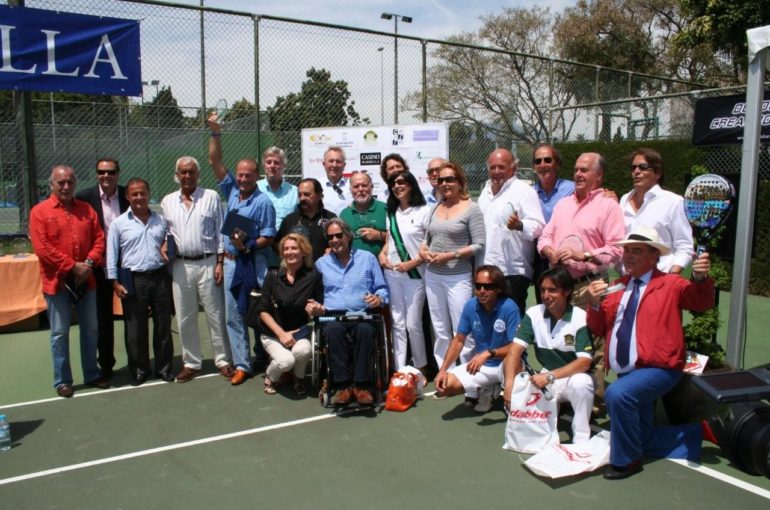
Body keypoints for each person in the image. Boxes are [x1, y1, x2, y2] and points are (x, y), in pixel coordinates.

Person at [586, 226, 715, 480]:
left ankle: (627, 461)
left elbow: (700, 302)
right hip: (627, 370)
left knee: (617, 395)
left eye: (637, 251)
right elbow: (599, 328)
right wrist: (593, 304)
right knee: (641, 434)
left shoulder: (670, 283)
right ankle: (691, 436)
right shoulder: (617, 286)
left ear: (654, 256)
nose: (628, 256)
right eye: (626, 250)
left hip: (660, 368)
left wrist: (700, 279)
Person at [537, 152, 625, 406]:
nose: (578, 174)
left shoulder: (609, 206)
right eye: (576, 169)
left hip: (590, 285)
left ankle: (593, 403)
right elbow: (545, 236)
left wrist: (584, 254)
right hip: (560, 286)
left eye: (585, 170)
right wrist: (548, 250)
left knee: (593, 346)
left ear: (599, 175)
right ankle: (566, 395)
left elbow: (616, 249)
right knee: (564, 342)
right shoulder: (564, 204)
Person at [208, 113, 276, 385]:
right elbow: (214, 161)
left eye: (249, 175)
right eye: (240, 175)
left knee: (259, 312)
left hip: (254, 262)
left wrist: (247, 244)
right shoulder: (232, 192)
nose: (244, 179)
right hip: (232, 262)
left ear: (257, 176)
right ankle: (242, 365)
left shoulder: (264, 203)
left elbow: (269, 237)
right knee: (234, 315)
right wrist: (215, 133)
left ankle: (268, 356)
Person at [29, 165, 107, 398]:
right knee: (60, 333)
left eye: (70, 182)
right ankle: (63, 381)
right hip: (57, 283)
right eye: (60, 182)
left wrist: (89, 264)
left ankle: (92, 374)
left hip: (86, 280)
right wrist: (72, 266)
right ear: (52, 184)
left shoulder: (86, 210)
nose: (66, 187)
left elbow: (99, 240)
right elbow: (42, 248)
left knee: (91, 329)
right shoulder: (39, 212)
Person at [161, 156, 234, 383]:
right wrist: (164, 244)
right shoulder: (167, 202)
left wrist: (220, 262)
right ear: (177, 175)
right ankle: (191, 362)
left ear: (198, 175)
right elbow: (164, 233)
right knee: (185, 317)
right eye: (183, 172)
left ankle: (223, 360)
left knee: (215, 315)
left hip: (208, 262)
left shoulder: (211, 197)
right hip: (180, 265)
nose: (187, 176)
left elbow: (222, 232)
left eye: (191, 172)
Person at [501, 266, 594, 444]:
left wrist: (550, 377)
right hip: (544, 377)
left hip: (569, 378)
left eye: (552, 290)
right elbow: (514, 351)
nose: (546, 295)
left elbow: (584, 363)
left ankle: (581, 439)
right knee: (529, 430)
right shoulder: (533, 313)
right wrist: (509, 386)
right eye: (543, 290)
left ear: (566, 292)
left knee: (583, 383)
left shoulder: (580, 317)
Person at [310, 219, 389, 405]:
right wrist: (316, 307)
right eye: (331, 237)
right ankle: (344, 387)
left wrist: (378, 298)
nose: (335, 240)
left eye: (339, 235)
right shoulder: (321, 264)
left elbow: (382, 288)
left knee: (365, 331)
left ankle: (362, 386)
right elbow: (314, 295)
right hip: (333, 315)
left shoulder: (368, 258)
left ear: (348, 236)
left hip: (362, 313)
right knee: (333, 331)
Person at [107, 178, 174, 386]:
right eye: (134, 194)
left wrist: (167, 242)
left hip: (160, 277)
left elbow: (170, 241)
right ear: (127, 197)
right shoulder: (119, 224)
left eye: (142, 193)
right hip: (133, 279)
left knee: (163, 325)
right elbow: (111, 254)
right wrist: (114, 282)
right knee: (135, 329)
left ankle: (164, 368)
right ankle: (139, 370)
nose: (139, 198)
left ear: (148, 194)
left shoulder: (161, 220)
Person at [420, 162, 485, 366]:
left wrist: (452, 255)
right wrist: (423, 250)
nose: (445, 183)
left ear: (460, 182)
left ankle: (468, 376)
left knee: (462, 329)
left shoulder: (471, 209)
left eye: (450, 179)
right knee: (440, 329)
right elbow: (427, 239)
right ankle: (444, 373)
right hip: (433, 275)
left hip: (458, 277)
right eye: (441, 180)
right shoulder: (435, 208)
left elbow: (479, 244)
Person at [434, 266, 519, 413]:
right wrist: (443, 369)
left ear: (499, 288)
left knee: (516, 411)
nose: (482, 290)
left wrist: (488, 353)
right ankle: (488, 388)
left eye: (488, 286)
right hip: (483, 365)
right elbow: (459, 340)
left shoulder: (510, 307)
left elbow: (517, 346)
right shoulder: (470, 306)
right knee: (445, 386)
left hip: (507, 363)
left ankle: (509, 387)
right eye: (478, 286)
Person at [75, 158, 129, 380]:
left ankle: (138, 363)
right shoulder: (84, 198)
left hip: (126, 266)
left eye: (110, 172)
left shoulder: (128, 195)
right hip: (97, 267)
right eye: (101, 172)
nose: (106, 176)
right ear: (96, 174)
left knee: (133, 316)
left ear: (118, 173)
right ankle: (106, 365)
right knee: (102, 319)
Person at [478, 148, 545, 315]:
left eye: (501, 167)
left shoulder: (524, 191)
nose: (496, 171)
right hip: (485, 270)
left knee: (510, 324)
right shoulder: (484, 193)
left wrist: (520, 225)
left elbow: (538, 226)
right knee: (487, 322)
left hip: (512, 273)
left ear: (513, 168)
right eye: (492, 167)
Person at [257, 233, 323, 396]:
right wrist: (281, 334)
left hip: (299, 333)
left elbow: (320, 304)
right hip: (272, 334)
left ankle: (298, 378)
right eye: (286, 249)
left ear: (303, 252)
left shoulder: (313, 276)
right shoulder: (272, 276)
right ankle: (270, 377)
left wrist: (316, 309)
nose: (289, 252)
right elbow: (263, 311)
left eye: (294, 248)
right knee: (286, 361)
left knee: (304, 351)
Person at [379, 171, 429, 372]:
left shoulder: (425, 211)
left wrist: (413, 263)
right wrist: (383, 256)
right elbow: (389, 241)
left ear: (411, 185)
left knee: (413, 324)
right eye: (393, 183)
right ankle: (400, 369)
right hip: (392, 275)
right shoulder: (391, 212)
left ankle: (421, 367)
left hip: (415, 276)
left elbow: (429, 245)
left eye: (402, 182)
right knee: (397, 324)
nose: (397, 186)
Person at [619, 148, 694, 274]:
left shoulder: (673, 202)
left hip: (660, 280)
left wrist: (671, 276)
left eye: (643, 167)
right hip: (627, 280)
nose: (636, 172)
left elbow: (684, 246)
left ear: (657, 173)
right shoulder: (624, 200)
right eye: (633, 168)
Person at [531, 144, 574, 304]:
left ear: (557, 164)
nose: (542, 165)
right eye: (538, 161)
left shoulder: (572, 188)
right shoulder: (529, 193)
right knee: (544, 299)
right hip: (540, 253)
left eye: (547, 160)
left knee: (566, 297)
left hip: (565, 252)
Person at [257, 146, 298, 268]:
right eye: (269, 162)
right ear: (264, 165)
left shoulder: (294, 192)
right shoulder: (254, 189)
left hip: (286, 255)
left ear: (284, 166)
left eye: (277, 162)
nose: (272, 166)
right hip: (258, 253)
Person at [276, 178, 336, 261]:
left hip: (325, 269)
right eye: (300, 195)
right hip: (298, 271)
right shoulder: (290, 220)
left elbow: (340, 241)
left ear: (319, 195)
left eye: (307, 194)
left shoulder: (331, 218)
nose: (302, 198)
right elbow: (277, 244)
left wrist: (333, 249)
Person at [339, 172, 387, 256]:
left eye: (364, 185)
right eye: (356, 186)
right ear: (351, 190)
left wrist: (379, 235)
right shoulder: (344, 214)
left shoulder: (385, 209)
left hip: (382, 266)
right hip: (353, 267)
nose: (360, 189)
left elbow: (401, 238)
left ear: (371, 187)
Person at [321, 146, 350, 215]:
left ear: (344, 165)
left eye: (338, 161)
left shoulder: (352, 185)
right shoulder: (317, 185)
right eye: (331, 161)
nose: (334, 165)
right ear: (324, 164)